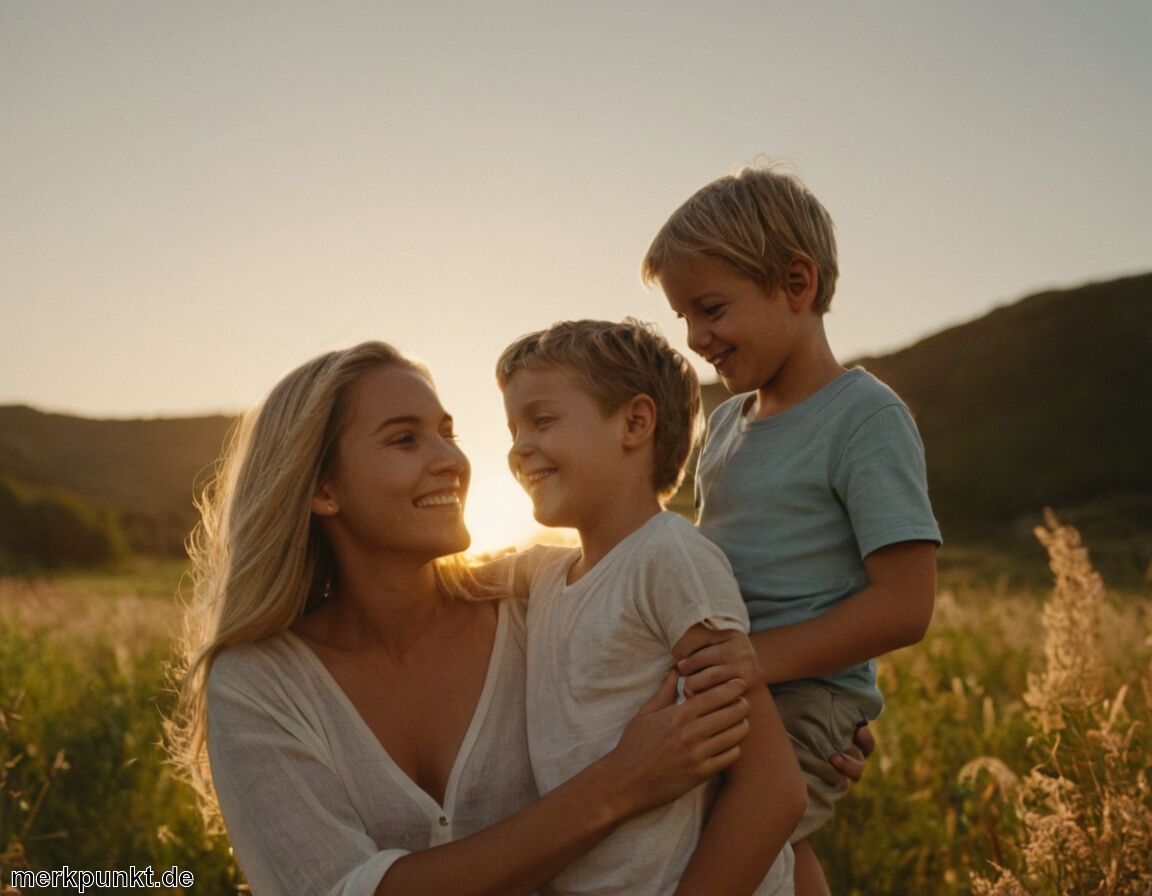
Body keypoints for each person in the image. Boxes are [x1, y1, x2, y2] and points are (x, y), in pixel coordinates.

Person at [167, 341, 761, 896]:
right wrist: (619, 785)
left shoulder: (544, 603)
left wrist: (811, 694)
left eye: (447, 433)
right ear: (324, 489)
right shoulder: (257, 683)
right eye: (406, 440)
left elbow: (749, 744)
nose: (451, 460)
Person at [643, 163, 942, 896]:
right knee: (764, 855)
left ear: (798, 284)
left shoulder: (864, 418)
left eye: (711, 309)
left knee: (731, 847)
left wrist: (757, 661)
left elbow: (905, 605)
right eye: (683, 317)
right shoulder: (722, 425)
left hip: (806, 693)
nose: (695, 338)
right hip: (739, 676)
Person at [495, 319, 807, 895]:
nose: (519, 447)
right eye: (513, 428)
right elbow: (450, 576)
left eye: (542, 420)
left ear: (635, 423)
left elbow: (771, 790)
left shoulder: (670, 557)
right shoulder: (545, 577)